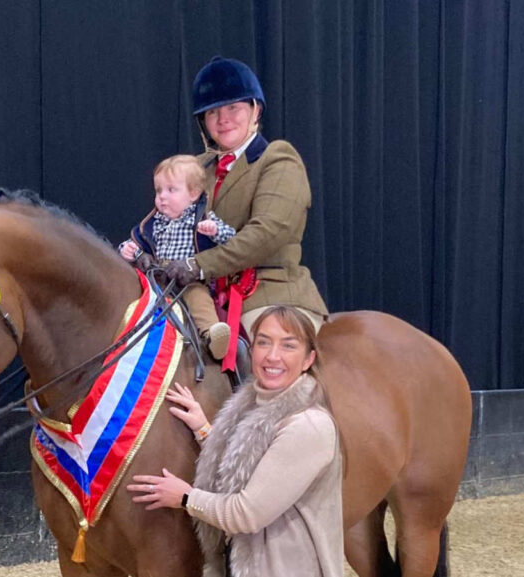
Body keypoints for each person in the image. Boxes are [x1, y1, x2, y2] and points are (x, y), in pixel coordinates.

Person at [127, 305, 344, 577]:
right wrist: (206, 431)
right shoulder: (257, 404)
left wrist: (185, 496)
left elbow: (246, 514)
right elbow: (252, 465)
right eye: (263, 342)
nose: (272, 355)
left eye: (288, 346)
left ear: (308, 360)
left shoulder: (308, 427)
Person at [164, 56, 328, 364]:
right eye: (212, 112)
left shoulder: (278, 159)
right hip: (200, 297)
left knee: (270, 364)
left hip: (267, 294)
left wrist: (197, 265)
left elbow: (266, 235)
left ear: (255, 110)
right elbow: (164, 219)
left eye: (233, 108)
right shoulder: (196, 169)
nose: (222, 119)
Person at [119, 154, 235, 360]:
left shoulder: (202, 219)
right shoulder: (153, 223)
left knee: (199, 300)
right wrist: (129, 250)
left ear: (193, 193)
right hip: (157, 281)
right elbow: (136, 243)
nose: (162, 197)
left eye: (171, 190)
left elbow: (231, 239)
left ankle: (211, 335)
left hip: (188, 280)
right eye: (158, 191)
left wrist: (214, 230)